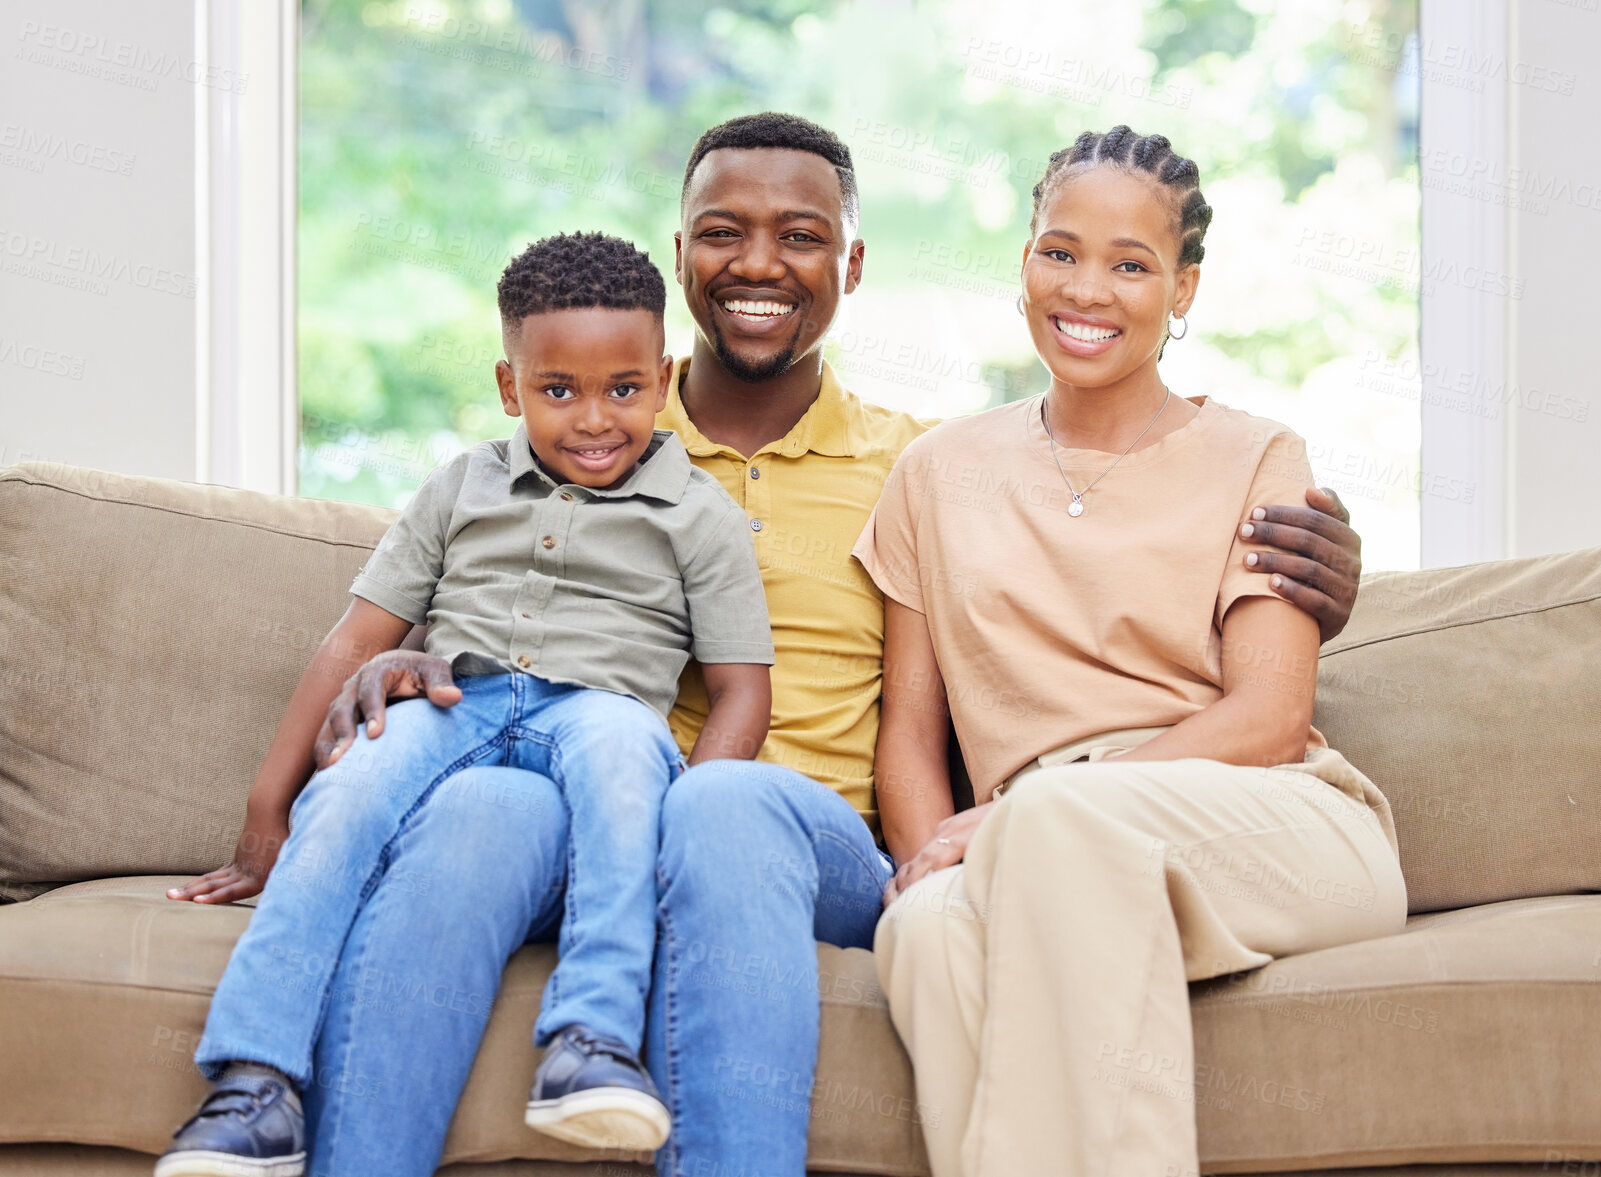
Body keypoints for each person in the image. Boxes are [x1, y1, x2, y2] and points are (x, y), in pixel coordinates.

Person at [217, 114, 1368, 1177]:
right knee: (477, 812)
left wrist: (1327, 580)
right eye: (725, 234)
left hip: (794, 838)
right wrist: (402, 657)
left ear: (852, 266)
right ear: (680, 260)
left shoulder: (913, 461)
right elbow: (471, 586)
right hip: (584, 809)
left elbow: (1133, 613)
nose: (760, 265)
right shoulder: (590, 423)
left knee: (724, 805)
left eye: (803, 237)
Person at [156, 232, 774, 1177]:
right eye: (557, 390)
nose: (594, 418)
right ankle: (254, 1085)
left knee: (623, 749)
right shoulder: (464, 484)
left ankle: (593, 1042)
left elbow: (741, 687)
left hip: (599, 710)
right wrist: (262, 808)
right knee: (356, 776)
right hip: (455, 690)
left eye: (623, 388)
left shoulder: (700, 512)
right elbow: (357, 643)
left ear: (663, 377)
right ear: (507, 384)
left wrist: (686, 826)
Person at [857, 127, 1407, 1177]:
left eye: (1130, 264)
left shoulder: (1259, 454)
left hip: (1265, 825)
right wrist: (933, 863)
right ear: (1023, 258)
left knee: (1060, 822)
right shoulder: (936, 471)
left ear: (1184, 290)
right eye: (1060, 252)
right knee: (924, 934)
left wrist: (1018, 817)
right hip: (1042, 847)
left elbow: (1270, 717)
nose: (1087, 289)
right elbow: (910, 743)